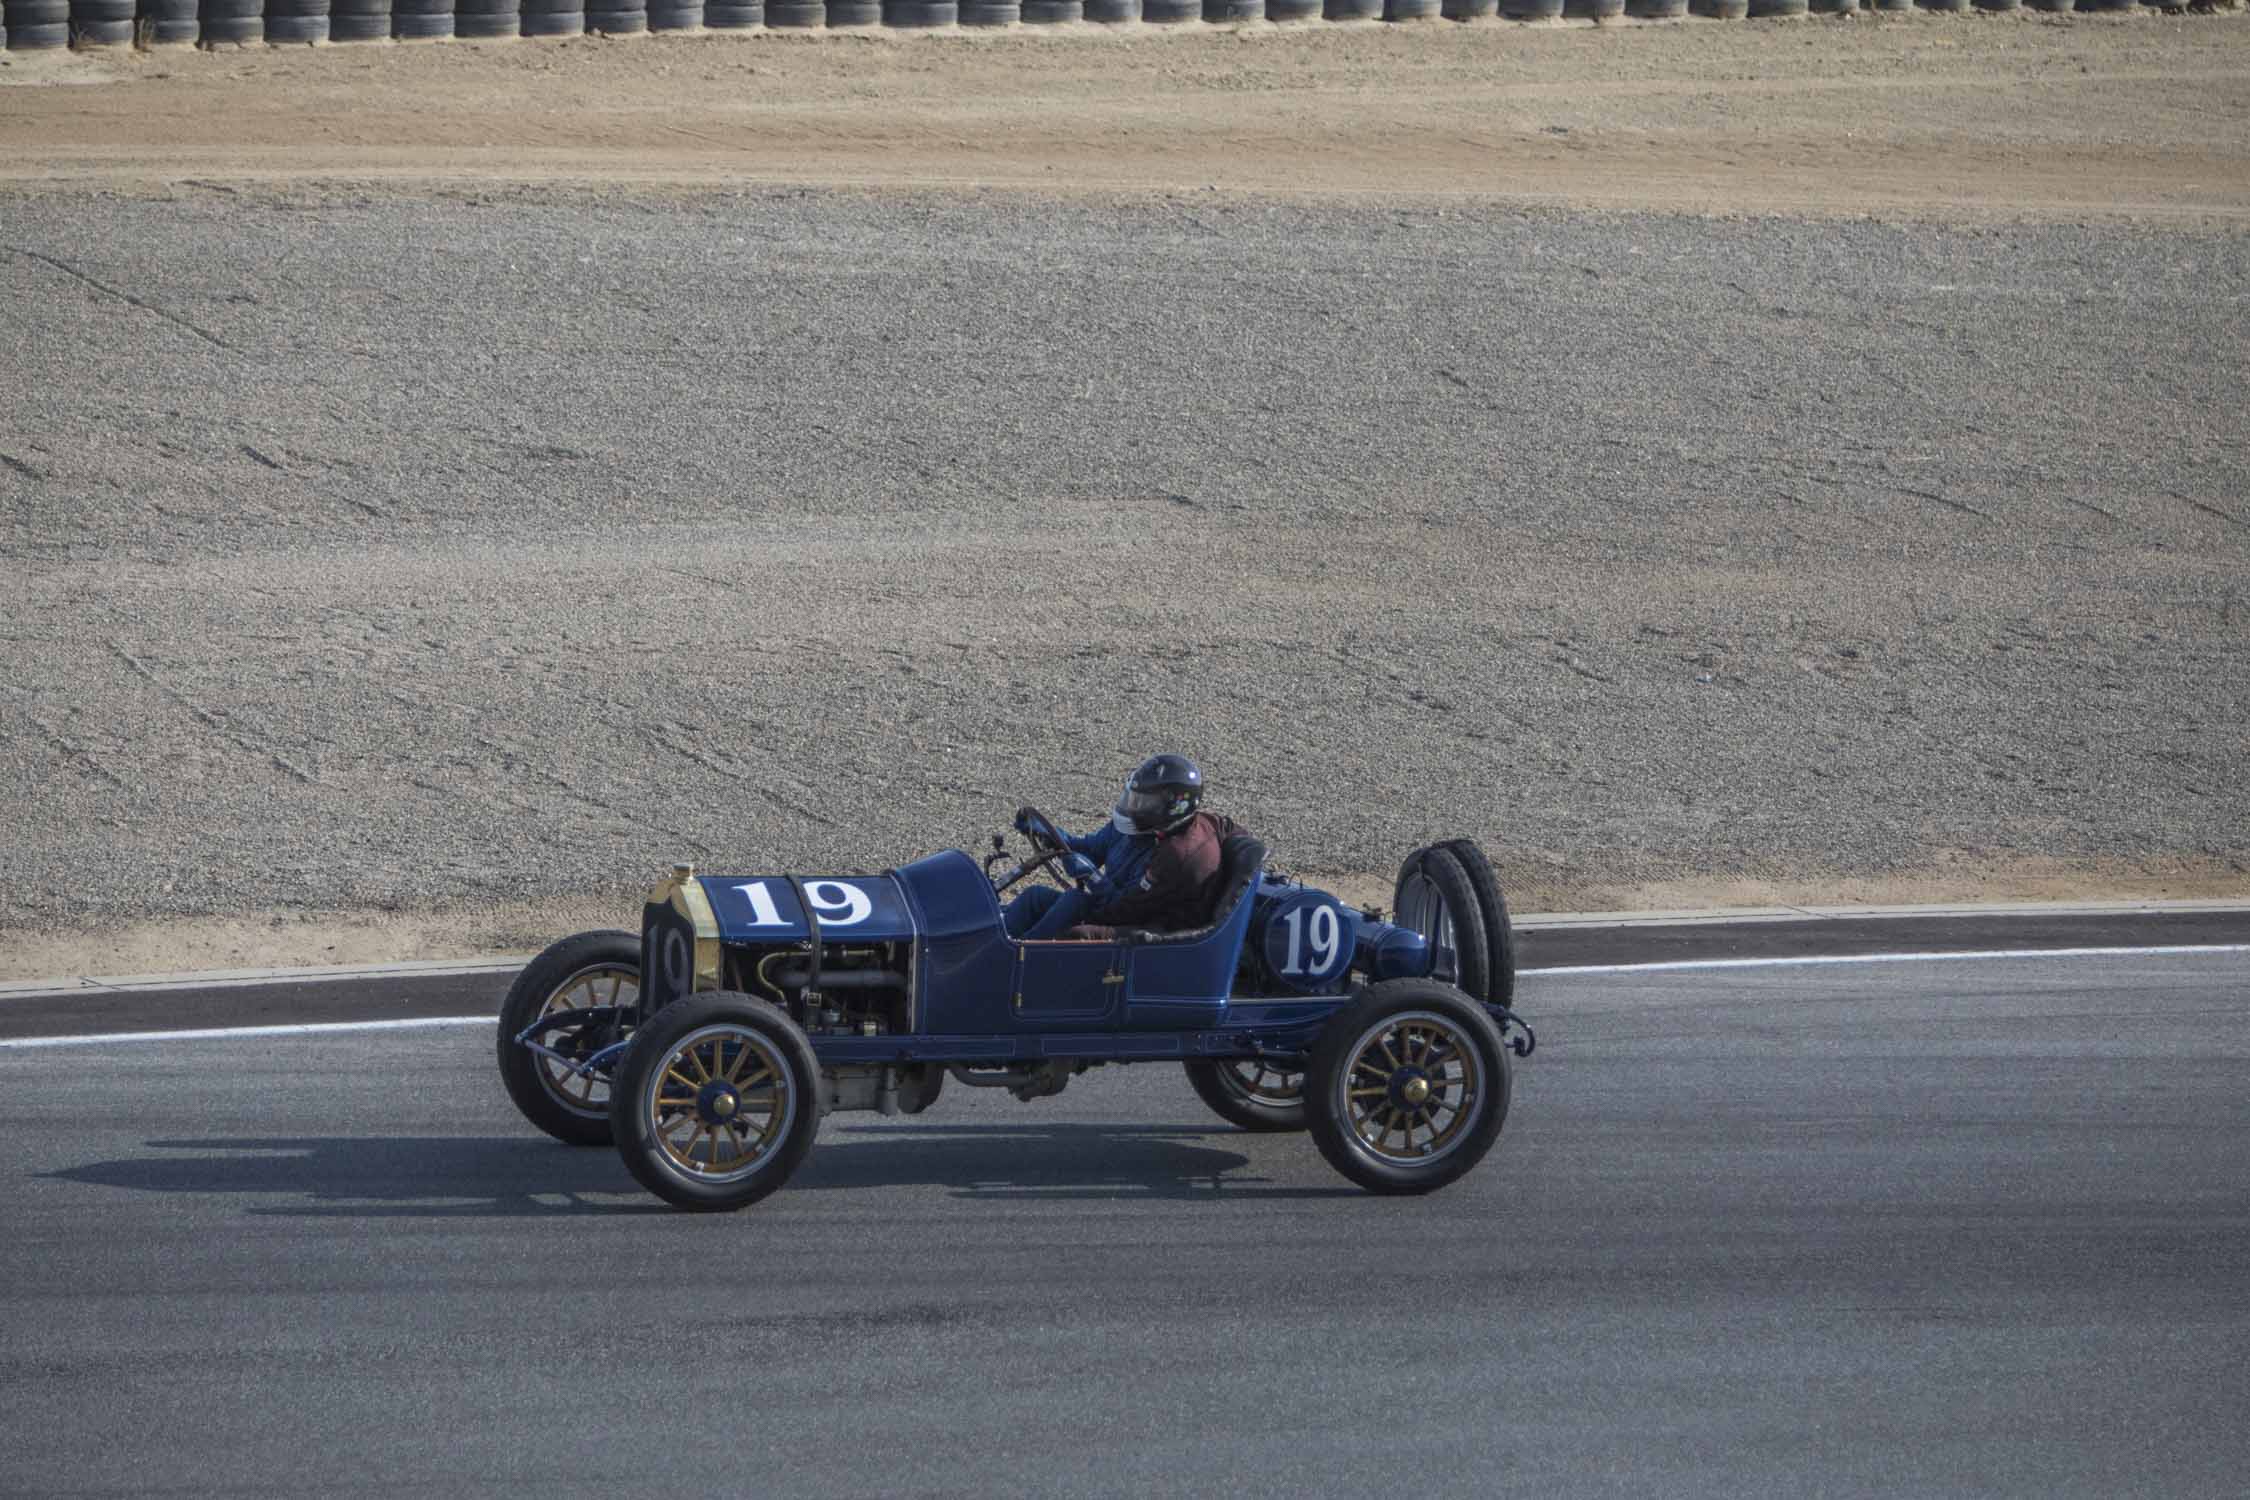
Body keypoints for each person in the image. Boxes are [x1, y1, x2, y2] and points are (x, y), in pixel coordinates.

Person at [1003, 754, 1247, 942]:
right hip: (1116, 904)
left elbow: (1129, 910)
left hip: (1148, 925)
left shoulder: (1175, 859)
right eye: (1134, 798)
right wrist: (1051, 835)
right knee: (1035, 897)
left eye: (1143, 802)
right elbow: (1090, 848)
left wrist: (1095, 879)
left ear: (1173, 806)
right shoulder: (1135, 826)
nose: (1134, 806)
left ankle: (1018, 960)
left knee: (1075, 912)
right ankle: (994, 944)